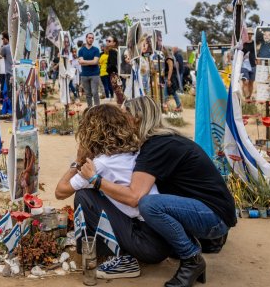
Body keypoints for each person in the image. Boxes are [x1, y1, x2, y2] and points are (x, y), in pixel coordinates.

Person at [81, 96, 236, 287]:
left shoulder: (156, 146)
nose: (119, 121)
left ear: (136, 117)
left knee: (148, 204)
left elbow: (134, 197)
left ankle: (191, 259)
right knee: (153, 202)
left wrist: (96, 181)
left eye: (123, 115)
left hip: (214, 217)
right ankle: (186, 250)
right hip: (210, 211)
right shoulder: (162, 141)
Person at [55, 102, 172, 279]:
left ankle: (120, 257)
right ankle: (115, 249)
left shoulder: (101, 164)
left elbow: (60, 191)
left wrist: (77, 162)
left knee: (84, 195)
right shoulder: (135, 152)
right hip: (162, 239)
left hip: (146, 244)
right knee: (98, 191)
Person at [78, 33, 102, 107]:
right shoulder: (81, 50)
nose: (91, 39)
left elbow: (95, 62)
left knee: (95, 92)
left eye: (92, 38)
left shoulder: (96, 50)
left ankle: (97, 109)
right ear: (86, 38)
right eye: (89, 38)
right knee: (88, 94)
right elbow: (80, 63)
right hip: (84, 75)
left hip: (94, 74)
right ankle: (90, 109)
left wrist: (84, 62)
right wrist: (91, 62)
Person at [105, 36, 124, 105]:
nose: (107, 42)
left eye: (109, 41)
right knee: (120, 93)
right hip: (119, 74)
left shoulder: (112, 51)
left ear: (114, 43)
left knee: (119, 94)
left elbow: (113, 64)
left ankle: (122, 110)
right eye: (107, 40)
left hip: (114, 75)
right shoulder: (117, 50)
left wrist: (107, 69)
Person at [0, 32, 13, 112]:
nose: (2, 40)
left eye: (3, 39)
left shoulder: (5, 48)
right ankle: (5, 110)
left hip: (8, 73)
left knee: (7, 93)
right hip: (14, 72)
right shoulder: (14, 47)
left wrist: (1, 47)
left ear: (6, 39)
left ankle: (9, 111)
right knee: (9, 92)